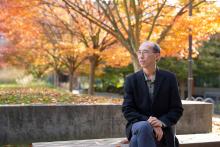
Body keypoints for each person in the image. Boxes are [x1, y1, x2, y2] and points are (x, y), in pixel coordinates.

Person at [122, 41, 183, 147]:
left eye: (145, 52)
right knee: (144, 127)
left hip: (162, 128)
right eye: (139, 52)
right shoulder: (131, 80)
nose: (141, 56)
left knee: (136, 141)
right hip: (137, 124)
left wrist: (161, 122)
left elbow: (176, 109)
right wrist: (150, 122)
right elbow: (128, 109)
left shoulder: (169, 78)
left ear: (157, 56)